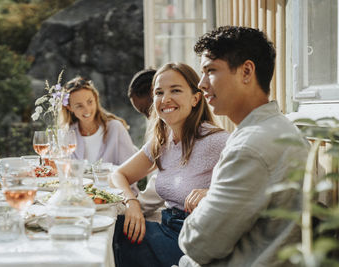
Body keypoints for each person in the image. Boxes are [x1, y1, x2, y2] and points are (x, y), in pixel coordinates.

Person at [178, 26, 309, 267]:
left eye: (210, 71)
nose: (201, 84)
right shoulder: (275, 128)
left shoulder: (251, 146)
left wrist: (205, 202)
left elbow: (197, 244)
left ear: (246, 71)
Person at [111, 62, 229, 267]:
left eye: (175, 90)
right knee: (113, 229)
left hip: (196, 241)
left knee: (115, 239)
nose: (165, 99)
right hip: (167, 230)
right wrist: (132, 203)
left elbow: (257, 183)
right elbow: (118, 175)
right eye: (159, 92)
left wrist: (211, 192)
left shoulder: (216, 140)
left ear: (195, 98)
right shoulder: (162, 140)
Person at [59, 76, 137, 165]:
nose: (87, 110)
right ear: (69, 107)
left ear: (96, 99)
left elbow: (132, 169)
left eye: (90, 102)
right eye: (79, 106)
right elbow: (64, 169)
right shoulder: (68, 133)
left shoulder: (115, 128)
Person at [128, 68, 165, 221]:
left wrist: (132, 206)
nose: (149, 118)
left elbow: (159, 190)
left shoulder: (173, 136)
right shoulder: (161, 136)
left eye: (146, 110)